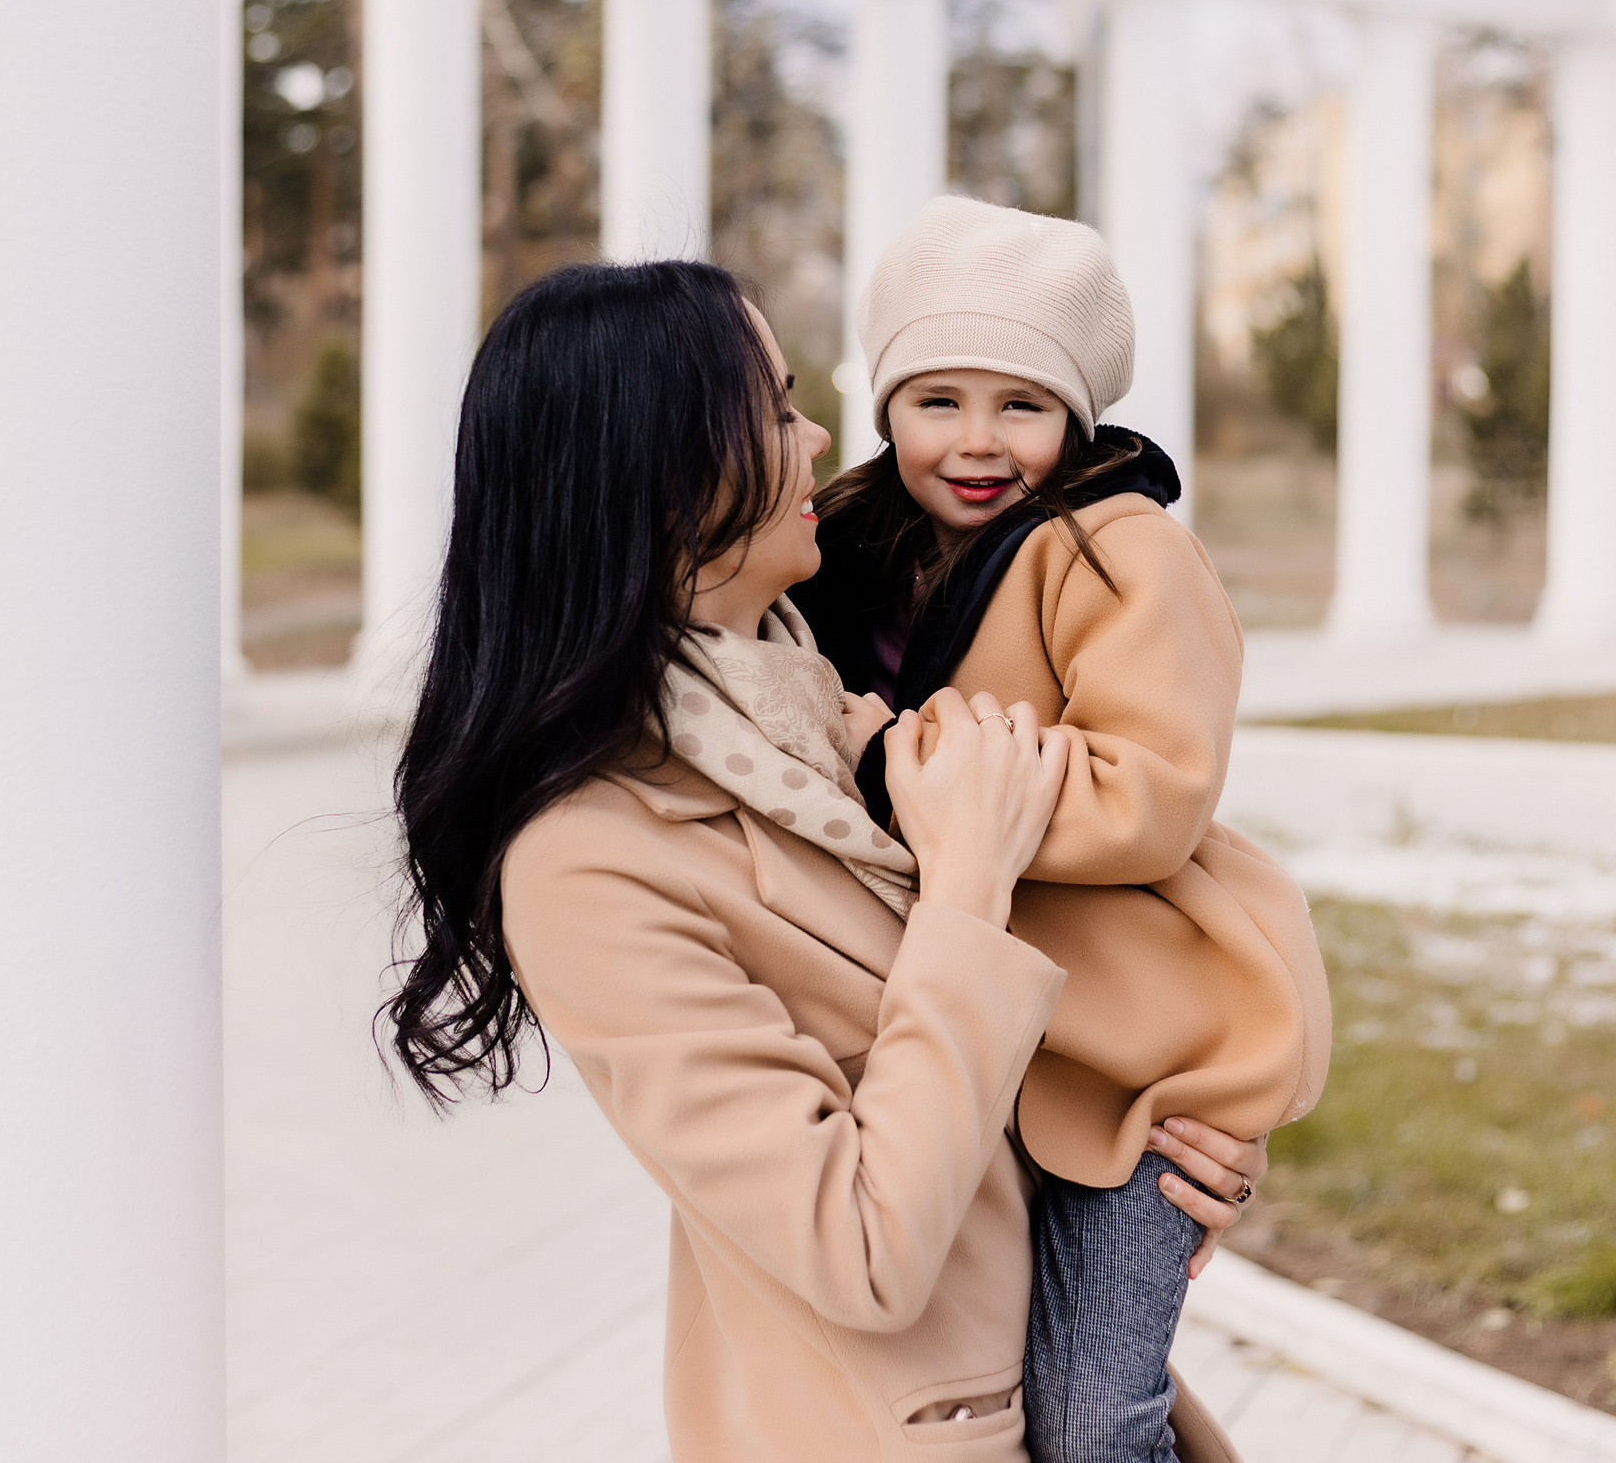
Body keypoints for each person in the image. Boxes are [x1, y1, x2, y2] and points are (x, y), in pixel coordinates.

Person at [382, 259, 1263, 1462]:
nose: (817, 437)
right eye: (776, 406)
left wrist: (1168, 1126)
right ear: (664, 468)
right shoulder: (591, 861)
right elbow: (861, 1247)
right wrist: (965, 890)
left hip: (1055, 1396)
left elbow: (1017, 1025)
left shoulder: (834, 705)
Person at [791, 198, 1333, 1463]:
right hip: (987, 1055)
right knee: (989, 1409)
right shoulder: (855, 545)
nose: (978, 442)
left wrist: (899, 763)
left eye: (1021, 406)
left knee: (1094, 1421)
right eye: (937, 401)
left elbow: (1148, 793)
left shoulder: (1118, 551)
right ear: (886, 405)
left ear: (1077, 417)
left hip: (1148, 1068)